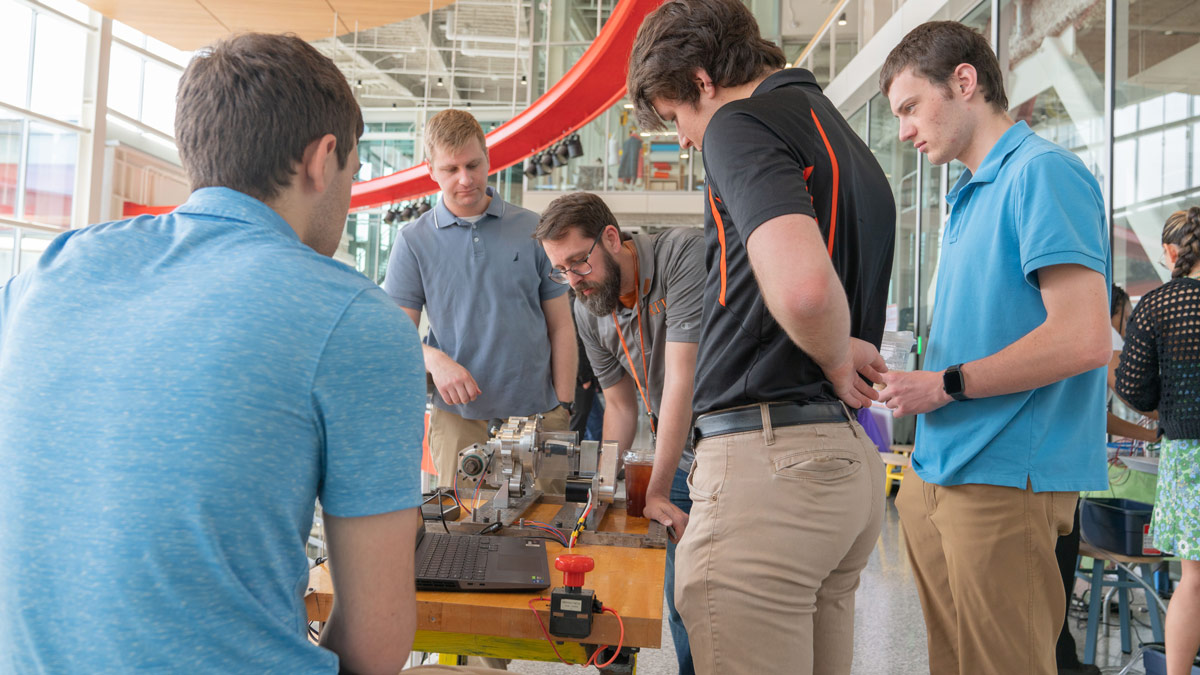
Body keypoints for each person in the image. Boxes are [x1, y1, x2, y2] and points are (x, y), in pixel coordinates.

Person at [0, 33, 454, 673]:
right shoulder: (356, 319)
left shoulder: (41, 277)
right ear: (323, 160)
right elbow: (376, 643)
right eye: (353, 173)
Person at [627, 0, 896, 671]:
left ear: (701, 80)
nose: (685, 139)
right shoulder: (838, 132)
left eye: (676, 117)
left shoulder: (739, 125)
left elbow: (803, 286)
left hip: (769, 469)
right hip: (841, 464)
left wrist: (834, 357)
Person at [877, 21, 1113, 675]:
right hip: (937, 475)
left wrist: (945, 383)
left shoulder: (1044, 173)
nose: (903, 131)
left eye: (909, 108)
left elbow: (1084, 336)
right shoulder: (968, 196)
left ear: (964, 81)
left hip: (1004, 480)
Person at [535, 191, 705, 674]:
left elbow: (681, 383)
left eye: (579, 263)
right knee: (680, 598)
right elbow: (620, 404)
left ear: (611, 237)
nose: (573, 281)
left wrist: (653, 488)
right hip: (680, 455)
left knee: (714, 598)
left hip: (724, 447)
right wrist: (603, 486)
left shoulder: (682, 254)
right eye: (561, 270)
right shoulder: (589, 307)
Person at [382, 109, 577, 491]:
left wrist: (563, 409)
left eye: (473, 164)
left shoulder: (533, 229)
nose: (465, 179)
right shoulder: (413, 241)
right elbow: (394, 336)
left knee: (545, 533)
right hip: (458, 421)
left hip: (538, 416)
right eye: (451, 169)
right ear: (431, 170)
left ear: (488, 158)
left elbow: (561, 326)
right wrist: (434, 360)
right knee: (462, 541)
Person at [1116, 206, 1200, 675]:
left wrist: (1166, 404)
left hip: (1189, 452)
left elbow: (1131, 387)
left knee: (1193, 581)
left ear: (1171, 252)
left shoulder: (1158, 305)